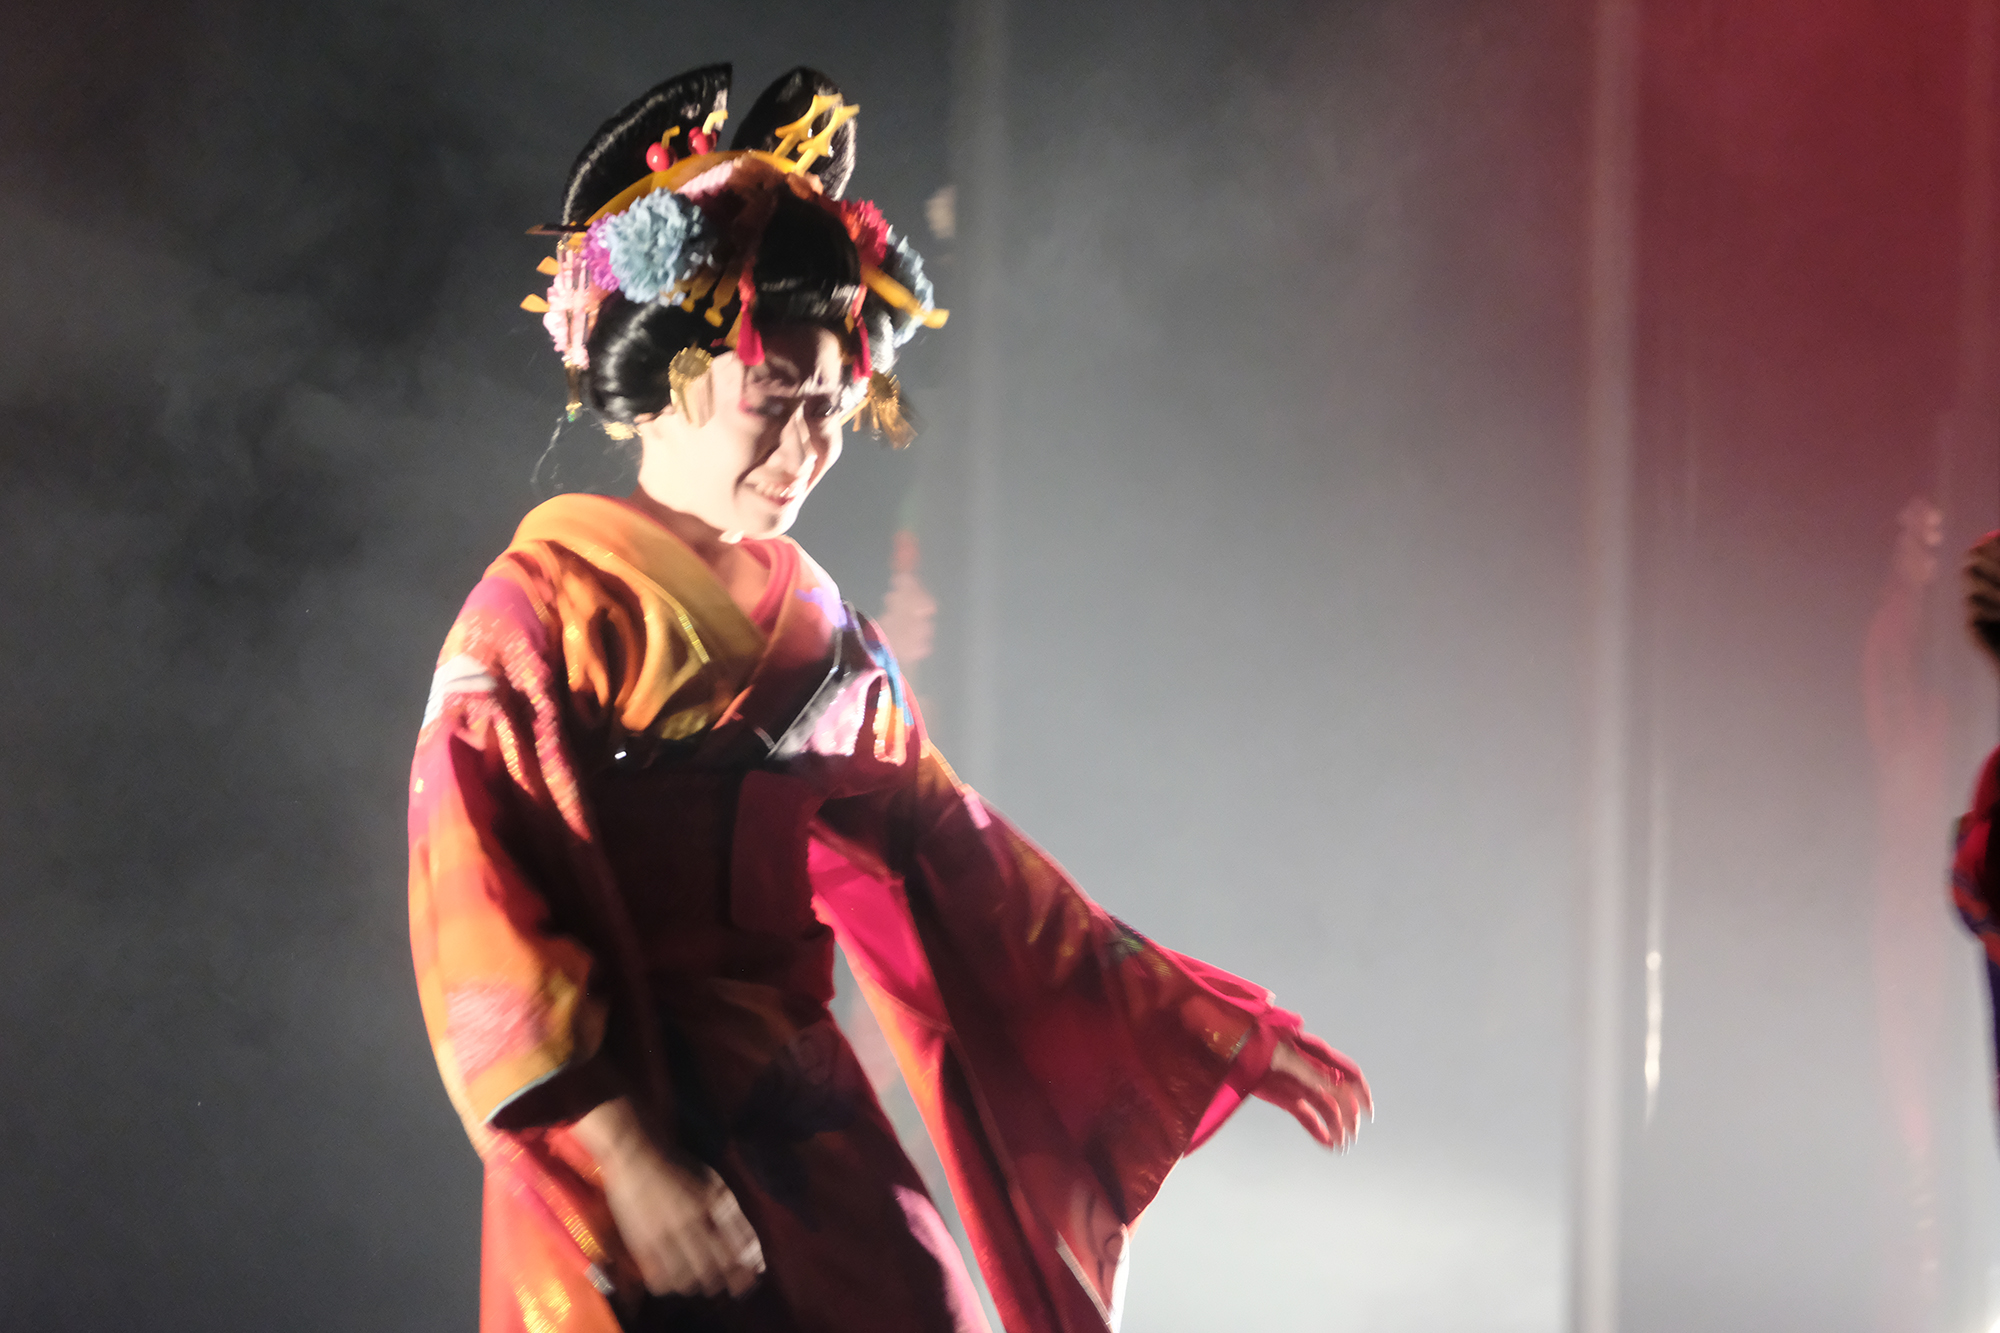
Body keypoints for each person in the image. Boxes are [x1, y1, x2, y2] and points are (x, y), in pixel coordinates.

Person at [407, 63, 1371, 1333]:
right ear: (667, 379)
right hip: (616, 1124)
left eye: (831, 410)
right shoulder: (538, 613)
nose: (806, 449)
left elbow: (964, 865)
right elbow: (477, 904)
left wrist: (1209, 1029)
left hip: (799, 1118)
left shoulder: (817, 627)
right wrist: (624, 1156)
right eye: (774, 401)